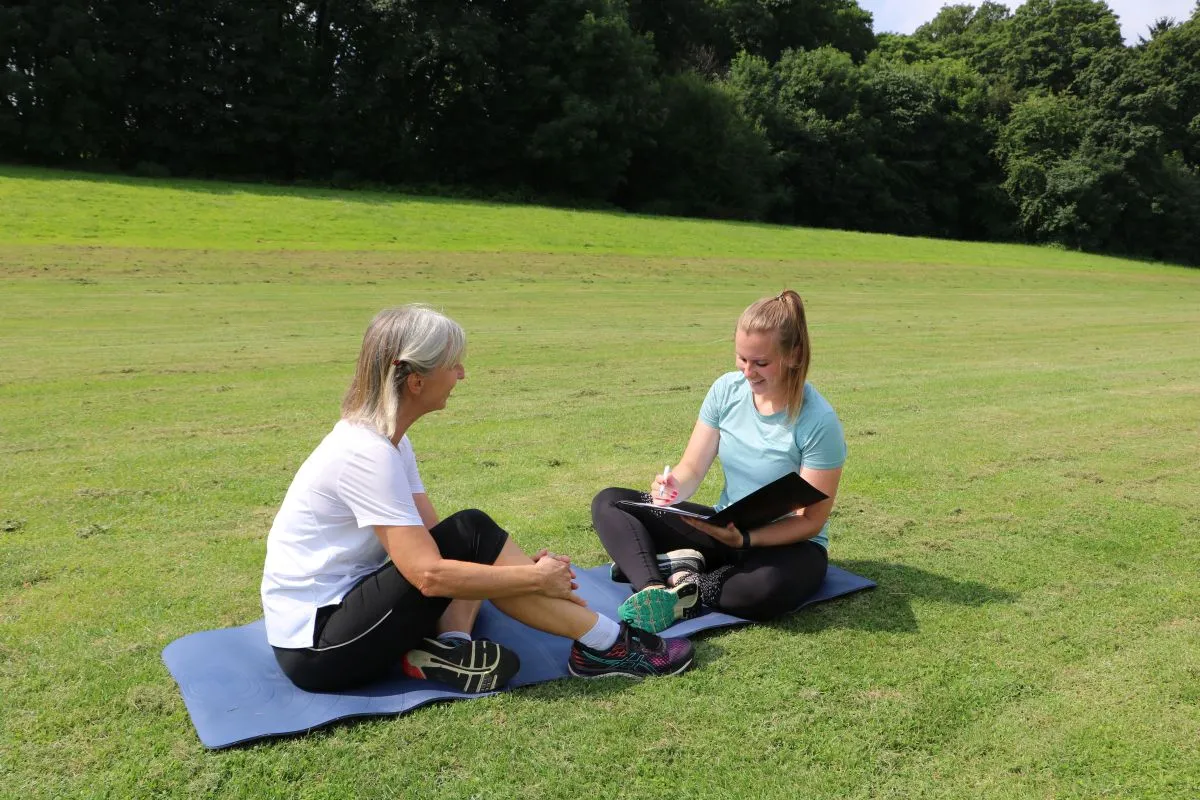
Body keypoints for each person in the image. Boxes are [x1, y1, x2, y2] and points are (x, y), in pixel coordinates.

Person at [261, 305, 693, 693]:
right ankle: (609, 644)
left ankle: (451, 646)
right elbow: (429, 576)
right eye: (453, 365)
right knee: (473, 535)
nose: (462, 374)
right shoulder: (366, 454)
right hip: (320, 647)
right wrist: (533, 579)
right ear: (416, 381)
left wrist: (519, 570)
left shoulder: (389, 441)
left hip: (350, 608)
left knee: (473, 534)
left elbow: (437, 538)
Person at [592, 290, 846, 632]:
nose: (747, 373)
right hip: (724, 527)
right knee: (611, 502)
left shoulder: (819, 421)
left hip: (787, 547)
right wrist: (672, 488)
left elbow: (811, 521)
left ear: (794, 356)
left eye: (761, 363)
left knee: (759, 594)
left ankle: (685, 576)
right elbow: (692, 468)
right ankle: (653, 589)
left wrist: (746, 541)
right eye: (742, 359)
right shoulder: (726, 391)